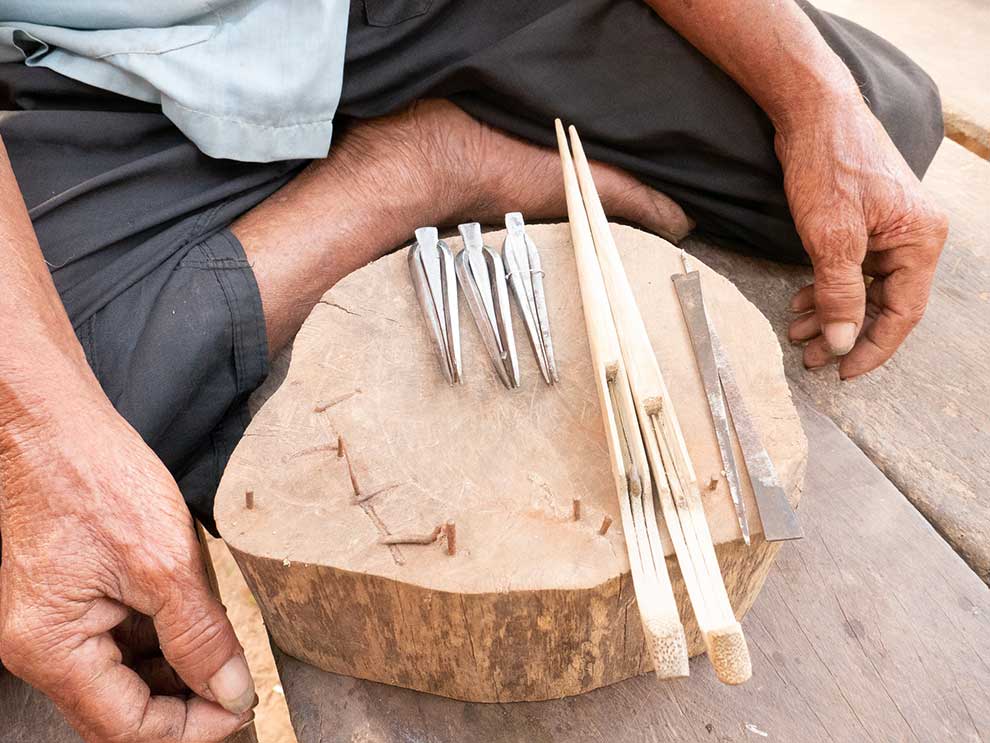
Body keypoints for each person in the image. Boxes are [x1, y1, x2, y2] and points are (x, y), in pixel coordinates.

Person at [0, 1, 947, 741]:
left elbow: (823, 111)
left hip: (366, 17)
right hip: (73, 76)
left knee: (875, 126)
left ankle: (267, 217)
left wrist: (814, 102)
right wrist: (39, 432)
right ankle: (416, 169)